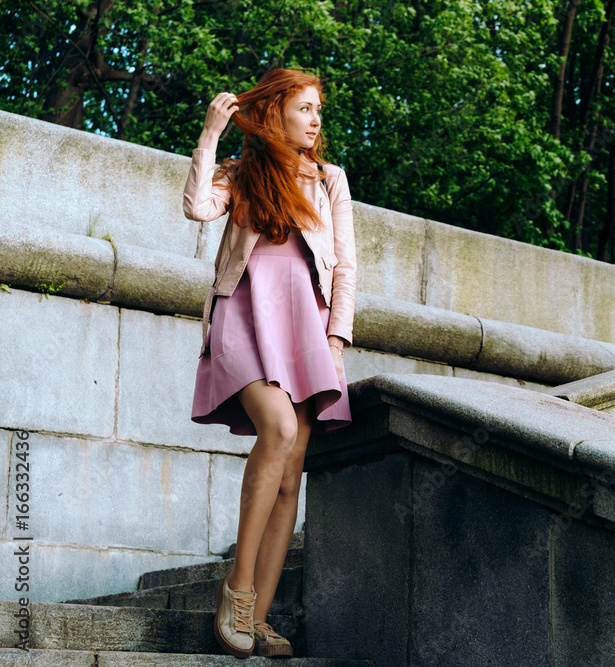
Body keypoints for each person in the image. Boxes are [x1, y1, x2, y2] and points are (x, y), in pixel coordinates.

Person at [182, 68, 356, 659]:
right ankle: (237, 589)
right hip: (243, 315)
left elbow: (346, 267)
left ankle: (258, 618)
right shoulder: (240, 174)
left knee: (291, 469)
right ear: (276, 110)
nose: (315, 120)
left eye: (318, 111)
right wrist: (210, 135)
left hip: (306, 325)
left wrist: (336, 341)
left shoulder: (329, 180)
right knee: (278, 429)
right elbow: (197, 207)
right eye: (305, 108)